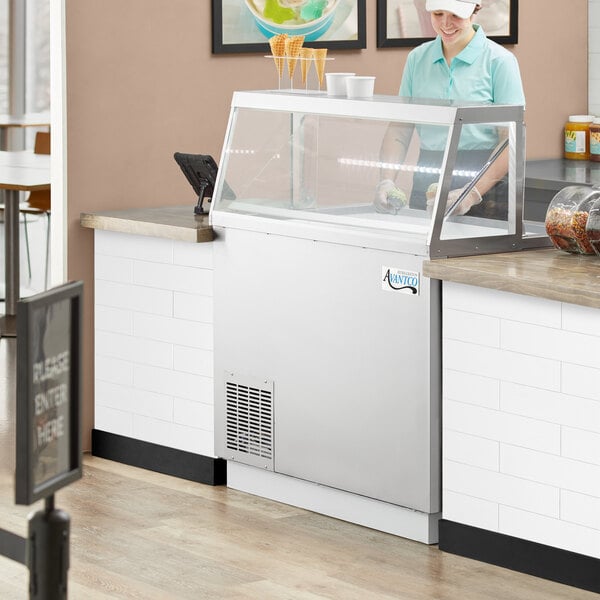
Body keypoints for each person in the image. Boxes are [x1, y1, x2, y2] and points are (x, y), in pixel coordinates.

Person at [375, 0, 525, 218]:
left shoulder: (500, 61)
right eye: (438, 14)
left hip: (484, 181)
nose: (446, 23)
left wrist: (472, 193)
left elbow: (510, 140)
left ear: (474, 11)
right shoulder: (417, 59)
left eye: (455, 15)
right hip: (427, 174)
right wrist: (386, 181)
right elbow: (400, 129)